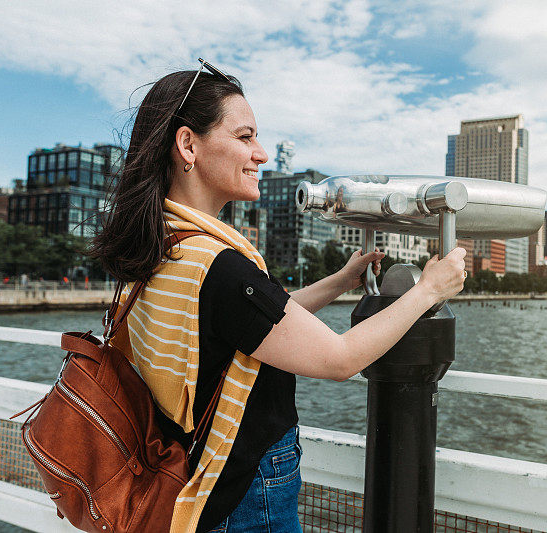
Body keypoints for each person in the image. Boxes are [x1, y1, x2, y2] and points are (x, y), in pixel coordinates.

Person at [89, 59, 465, 533]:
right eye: (245, 137)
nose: (261, 154)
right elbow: (340, 359)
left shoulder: (164, 247)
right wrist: (430, 289)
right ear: (189, 144)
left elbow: (255, 323)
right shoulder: (219, 268)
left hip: (189, 478)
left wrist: (341, 281)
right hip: (245, 495)